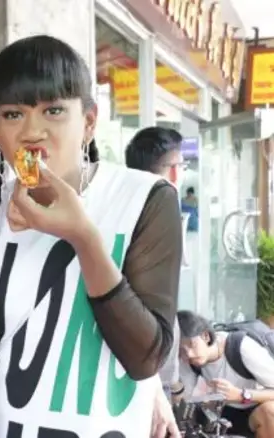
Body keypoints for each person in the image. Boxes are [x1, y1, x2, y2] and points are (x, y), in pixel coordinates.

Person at [0, 35, 181, 437]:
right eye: (13, 114)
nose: (32, 131)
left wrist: (82, 236)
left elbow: (145, 357)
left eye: (54, 110)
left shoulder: (143, 198)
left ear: (89, 122)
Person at [125, 126, 186, 437]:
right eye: (180, 165)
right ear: (172, 170)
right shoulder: (156, 209)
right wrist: (155, 386)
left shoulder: (127, 204)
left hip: (148, 366)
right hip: (144, 371)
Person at [176, 310, 274, 437]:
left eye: (192, 344)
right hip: (224, 411)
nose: (189, 354)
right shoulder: (188, 360)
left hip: (255, 406)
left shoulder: (242, 347)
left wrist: (241, 395)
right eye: (181, 350)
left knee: (270, 411)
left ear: (206, 336)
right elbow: (182, 401)